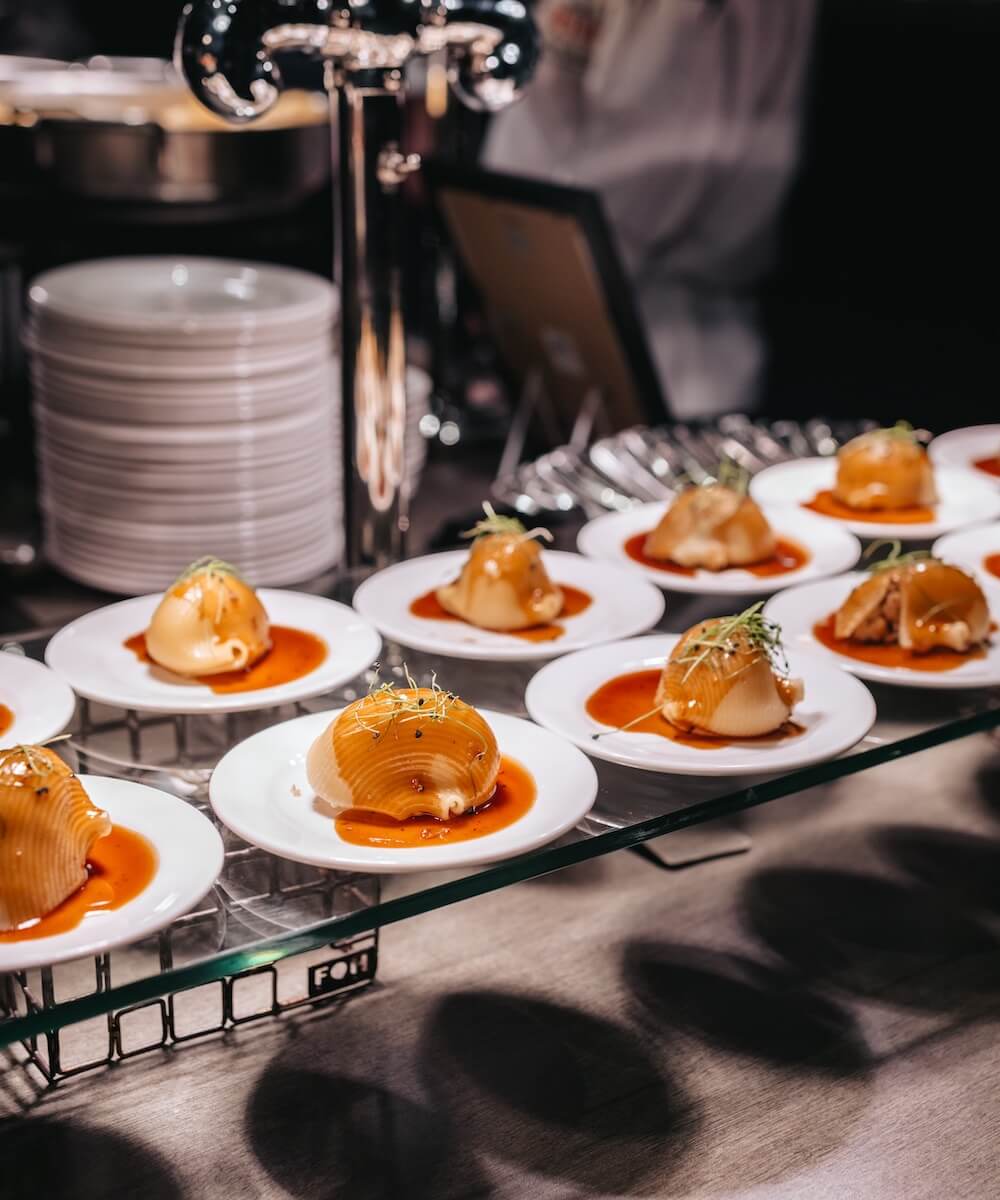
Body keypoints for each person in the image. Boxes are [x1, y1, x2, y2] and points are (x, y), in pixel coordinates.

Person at [484, 0, 818, 421]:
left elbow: (664, 176)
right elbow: (526, 138)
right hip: (568, 337)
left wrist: (536, 273)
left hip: (682, 369)